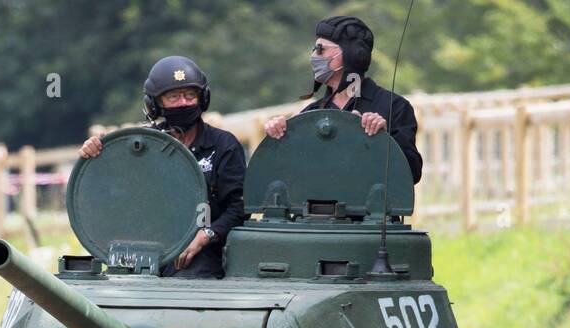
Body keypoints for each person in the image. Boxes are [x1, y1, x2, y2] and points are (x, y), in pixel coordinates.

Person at [80, 57, 245, 278]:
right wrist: (97, 153)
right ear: (156, 104)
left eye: (190, 95)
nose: (183, 103)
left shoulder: (223, 145)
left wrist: (205, 235)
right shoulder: (142, 146)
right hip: (143, 248)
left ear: (202, 98)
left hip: (201, 252)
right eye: (173, 96)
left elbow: (238, 209)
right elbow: (112, 196)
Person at [264, 14, 422, 184]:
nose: (313, 57)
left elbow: (412, 174)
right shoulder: (311, 114)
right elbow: (286, 175)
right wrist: (279, 137)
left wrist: (383, 140)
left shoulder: (394, 106)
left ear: (350, 54)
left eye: (320, 49)